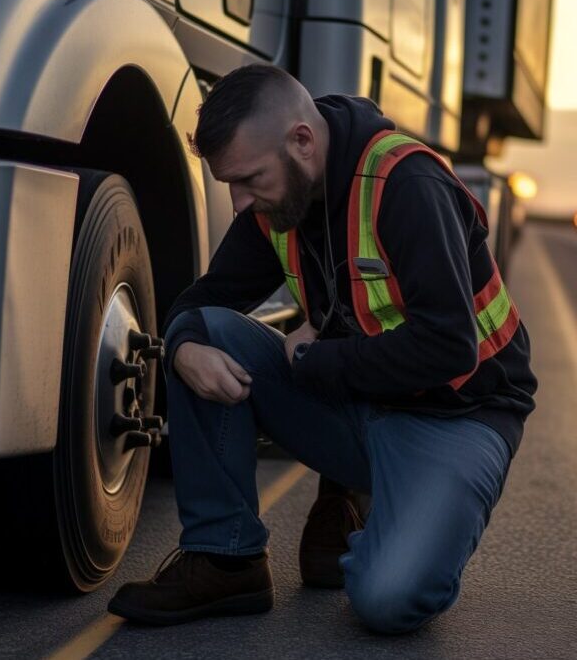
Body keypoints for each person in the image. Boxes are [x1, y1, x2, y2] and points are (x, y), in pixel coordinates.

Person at [107, 65, 537, 633]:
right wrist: (181, 345)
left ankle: (367, 504)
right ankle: (225, 558)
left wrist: (312, 359)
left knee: (387, 599)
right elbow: (204, 298)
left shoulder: (405, 186)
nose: (238, 203)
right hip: (360, 402)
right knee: (208, 331)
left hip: (458, 417)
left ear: (302, 142)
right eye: (229, 184)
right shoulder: (279, 197)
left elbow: (449, 347)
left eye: (248, 179)